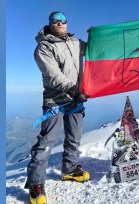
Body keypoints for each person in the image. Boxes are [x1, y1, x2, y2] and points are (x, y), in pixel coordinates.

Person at [24, 11, 90, 204]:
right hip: (56, 100)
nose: (60, 23)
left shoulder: (75, 42)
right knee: (46, 142)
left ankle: (69, 170)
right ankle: (36, 184)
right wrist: (72, 89)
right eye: (55, 20)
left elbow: (96, 50)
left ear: (67, 23)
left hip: (75, 98)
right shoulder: (43, 47)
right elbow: (53, 75)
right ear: (50, 24)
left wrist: (100, 35)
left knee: (74, 137)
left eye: (63, 20)